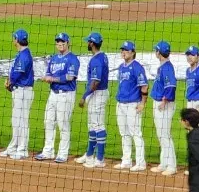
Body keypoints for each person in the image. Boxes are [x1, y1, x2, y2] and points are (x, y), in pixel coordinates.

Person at [37, 32, 79, 163]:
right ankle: (48, 151)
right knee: (48, 122)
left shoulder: (73, 59)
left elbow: (70, 77)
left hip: (66, 95)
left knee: (63, 124)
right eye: (58, 42)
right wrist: (47, 78)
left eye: (62, 42)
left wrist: (53, 79)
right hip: (53, 94)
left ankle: (62, 153)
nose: (60, 44)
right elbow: (48, 72)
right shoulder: (54, 59)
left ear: (68, 43)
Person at [114, 41, 148, 172]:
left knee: (136, 133)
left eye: (126, 50)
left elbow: (144, 86)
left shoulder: (137, 67)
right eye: (122, 50)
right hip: (121, 104)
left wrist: (142, 103)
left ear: (133, 52)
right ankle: (126, 160)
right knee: (124, 133)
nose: (123, 52)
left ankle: (140, 162)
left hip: (133, 104)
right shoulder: (121, 67)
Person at [77, 32, 109, 167]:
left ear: (92, 43)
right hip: (98, 93)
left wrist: (84, 96)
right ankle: (90, 154)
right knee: (91, 125)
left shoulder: (96, 60)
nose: (87, 44)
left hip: (98, 93)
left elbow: (95, 82)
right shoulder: (102, 56)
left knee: (98, 125)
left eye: (88, 42)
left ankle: (100, 159)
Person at [3, 29, 35, 160]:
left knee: (22, 121)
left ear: (16, 39)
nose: (13, 40)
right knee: (16, 120)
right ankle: (13, 147)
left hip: (23, 91)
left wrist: (9, 82)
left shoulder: (24, 56)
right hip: (18, 90)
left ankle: (23, 149)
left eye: (14, 38)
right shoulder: (22, 54)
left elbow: (17, 74)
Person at [150, 41, 179, 176]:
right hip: (160, 103)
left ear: (158, 53)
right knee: (161, 135)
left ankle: (171, 166)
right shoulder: (163, 66)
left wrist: (164, 100)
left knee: (165, 135)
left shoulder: (167, 68)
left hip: (164, 104)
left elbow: (171, 85)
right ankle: (164, 163)